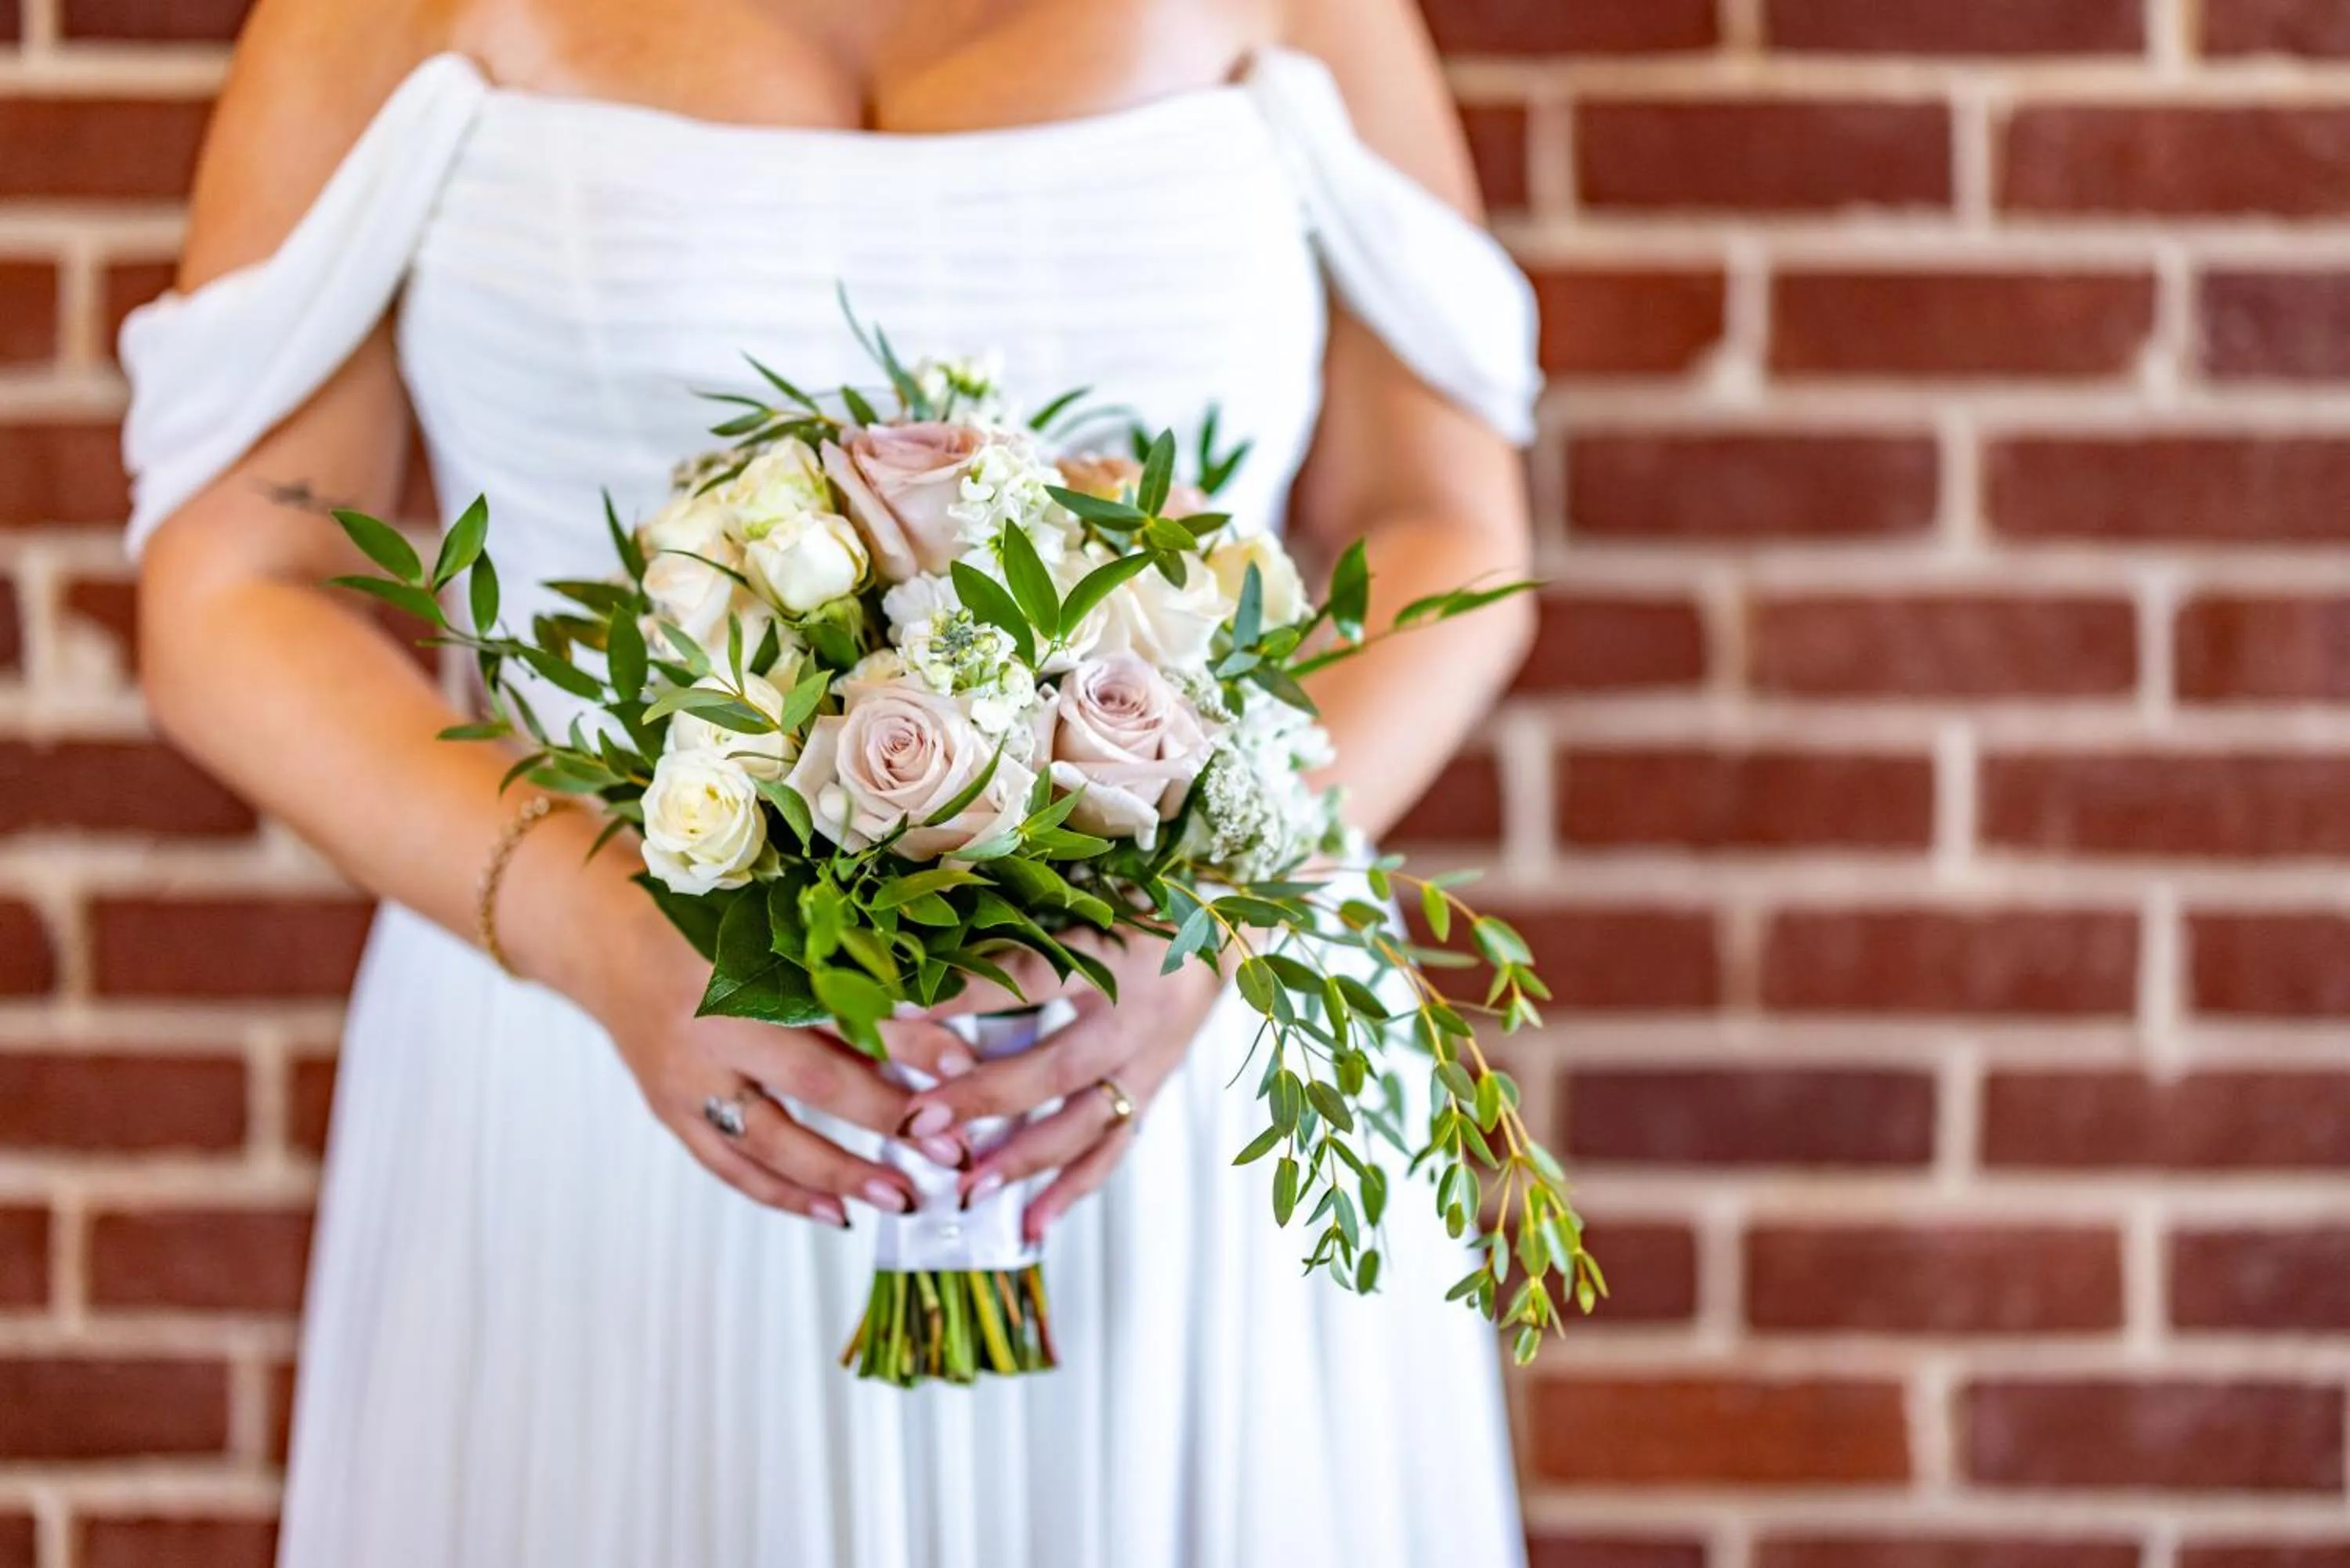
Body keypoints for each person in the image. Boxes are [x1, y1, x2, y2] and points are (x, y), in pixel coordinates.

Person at [122, 0, 1542, 1562]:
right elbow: (233, 584)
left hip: (1171, 1076)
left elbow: (1444, 525)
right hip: (606, 1081)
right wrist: (604, 931)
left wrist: (1206, 902)